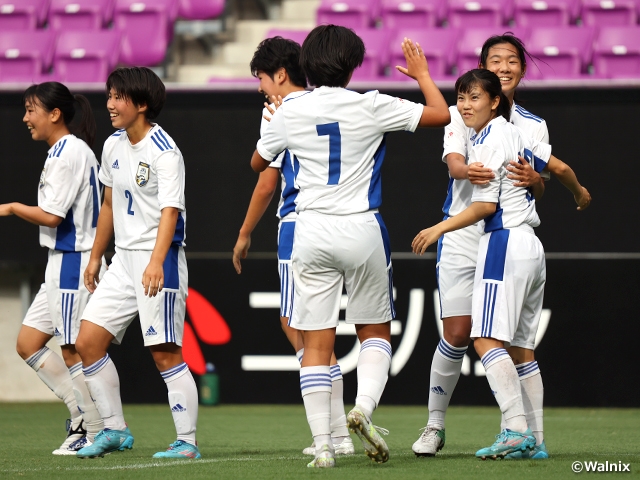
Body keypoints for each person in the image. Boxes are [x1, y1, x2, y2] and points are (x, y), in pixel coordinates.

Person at [252, 25, 450, 468]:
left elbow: (258, 162)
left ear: (306, 65)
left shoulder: (291, 109)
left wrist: (280, 126)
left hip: (311, 230)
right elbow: (441, 113)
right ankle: (362, 409)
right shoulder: (372, 104)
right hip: (361, 228)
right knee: (375, 331)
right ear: (352, 63)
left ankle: (323, 445)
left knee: (315, 346)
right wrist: (420, 74)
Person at [411, 69, 591, 459]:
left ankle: (514, 428)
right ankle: (537, 441)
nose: (464, 105)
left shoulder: (491, 136)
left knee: (485, 339)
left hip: (503, 242)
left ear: (495, 101)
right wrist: (580, 194)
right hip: (532, 246)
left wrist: (438, 227)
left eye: (474, 97)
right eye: (461, 97)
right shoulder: (519, 135)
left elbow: (485, 206)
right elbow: (558, 168)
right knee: (522, 349)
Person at [232, 36, 355, 456]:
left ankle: (335, 435)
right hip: (344, 224)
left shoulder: (281, 113)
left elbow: (266, 179)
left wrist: (245, 232)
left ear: (280, 75)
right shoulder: (328, 102)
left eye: (262, 79)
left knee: (300, 328)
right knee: (316, 333)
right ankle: (338, 434)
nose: (262, 88)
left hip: (299, 227)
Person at [74, 67, 199, 459]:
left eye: (118, 97)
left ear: (141, 104)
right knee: (87, 342)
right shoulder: (112, 145)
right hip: (123, 261)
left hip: (157, 259)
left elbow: (170, 212)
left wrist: (157, 261)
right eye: (109, 95)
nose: (109, 104)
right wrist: (96, 256)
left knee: (164, 352)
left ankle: (187, 443)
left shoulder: (165, 150)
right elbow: (108, 204)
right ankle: (114, 430)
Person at [6, 82, 104, 455]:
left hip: (74, 261)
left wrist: (12, 208)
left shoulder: (67, 153)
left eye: (31, 110)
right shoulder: (63, 150)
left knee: (72, 350)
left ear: (54, 113)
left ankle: (93, 429)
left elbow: (52, 214)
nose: (25, 118)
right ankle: (83, 417)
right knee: (28, 343)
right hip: (60, 261)